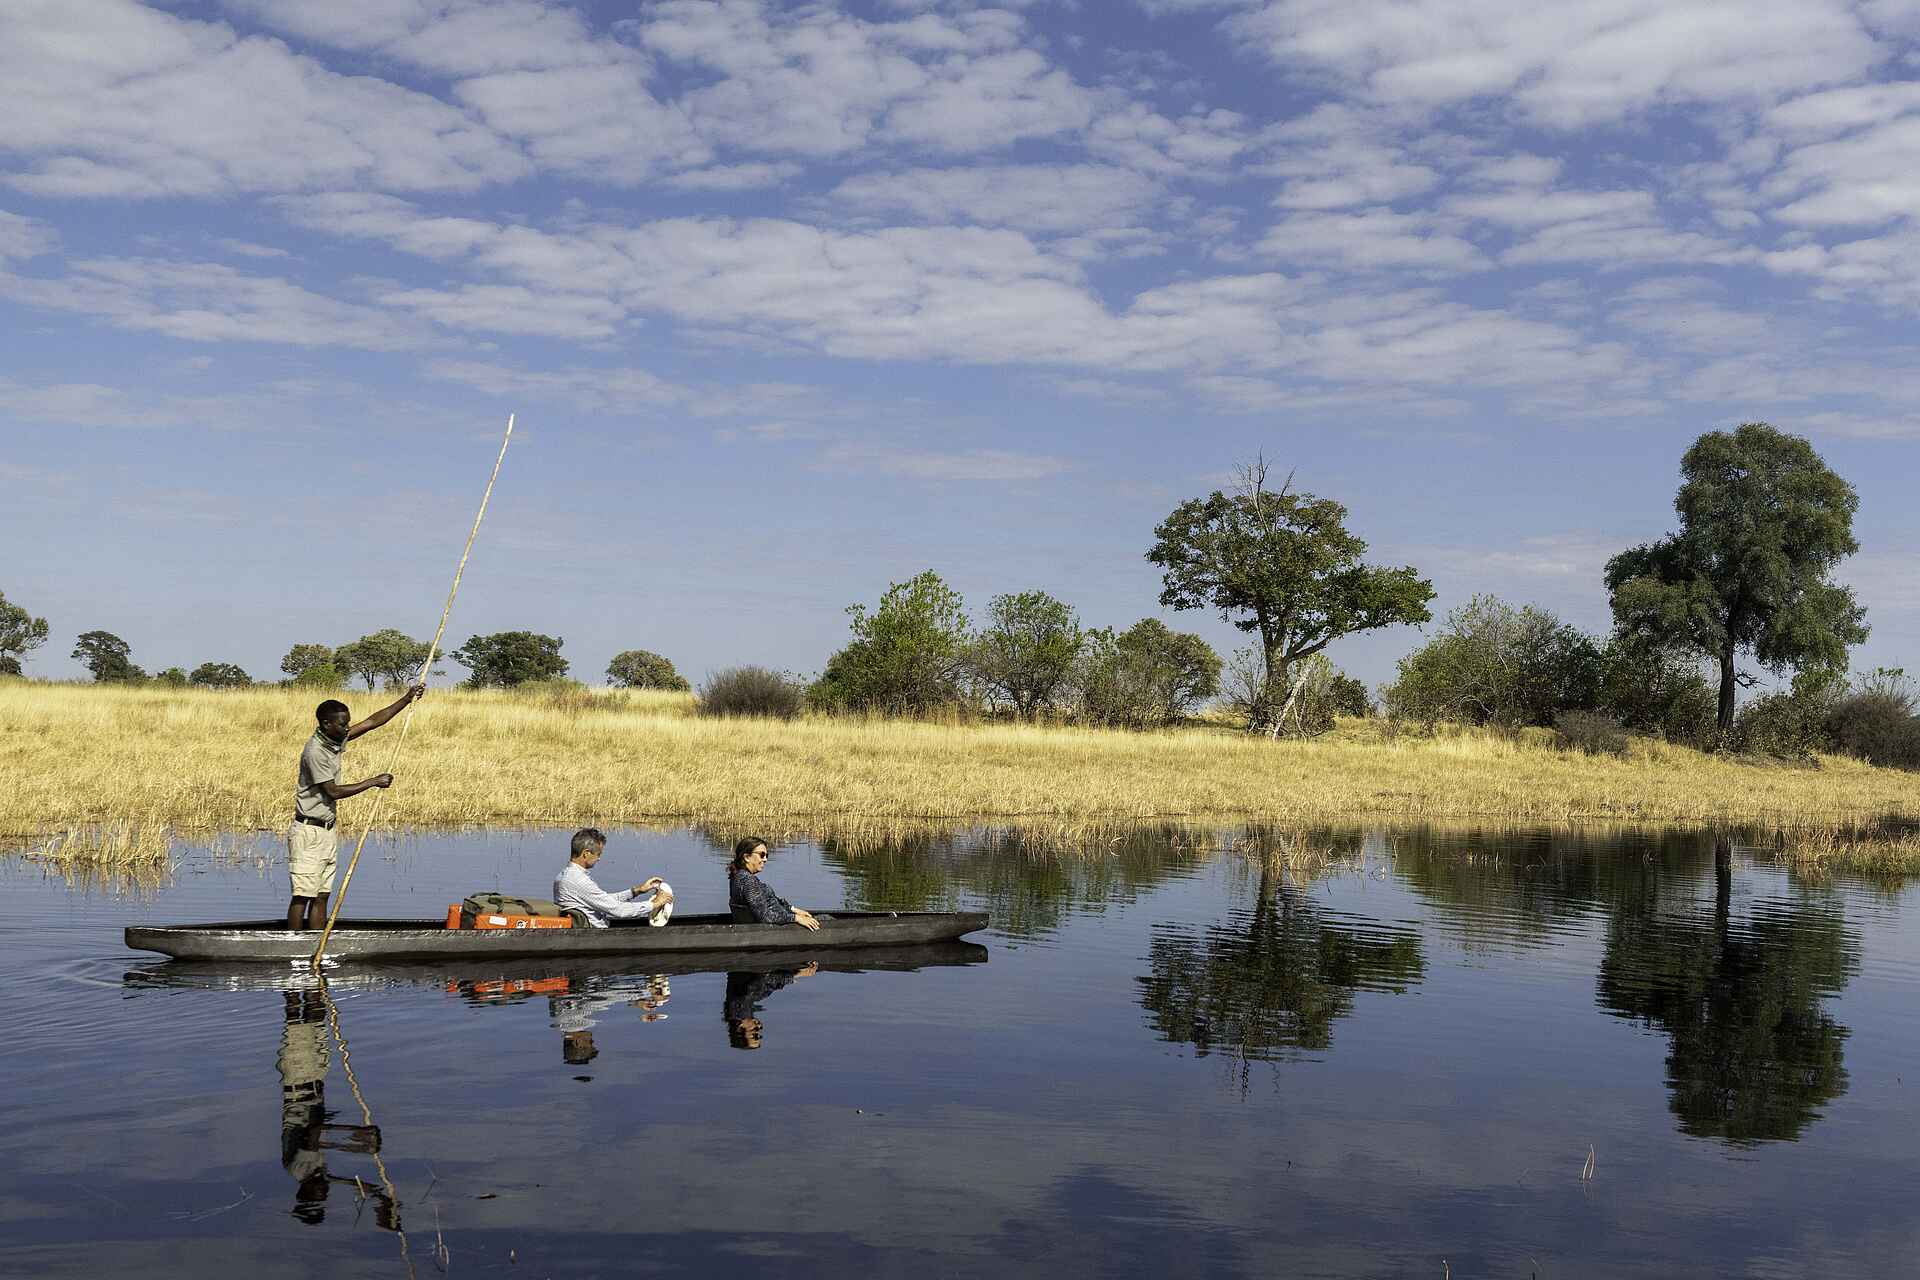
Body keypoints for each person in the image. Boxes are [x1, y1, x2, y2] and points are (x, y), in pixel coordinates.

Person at [288, 686, 424, 930]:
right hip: (308, 833)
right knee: (303, 895)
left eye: (347, 723)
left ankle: (316, 940)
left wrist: (407, 698)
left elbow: (373, 721)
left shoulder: (334, 739)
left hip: (327, 830)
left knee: (322, 895)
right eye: (342, 725)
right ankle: (291, 944)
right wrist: (373, 782)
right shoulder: (315, 752)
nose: (347, 728)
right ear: (326, 724)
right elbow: (333, 792)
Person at [554, 828, 673, 928]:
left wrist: (636, 891)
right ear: (586, 853)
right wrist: (654, 904)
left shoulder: (565, 875)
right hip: (596, 935)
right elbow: (619, 910)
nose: (599, 858)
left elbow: (602, 900)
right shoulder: (578, 880)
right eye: (598, 854)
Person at [727, 837, 824, 931]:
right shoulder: (748, 881)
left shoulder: (738, 876)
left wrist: (793, 910)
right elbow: (766, 917)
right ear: (747, 857)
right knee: (827, 919)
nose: (765, 859)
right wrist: (796, 918)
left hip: (782, 917)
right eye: (762, 855)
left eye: (766, 855)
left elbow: (768, 903)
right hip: (778, 927)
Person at [724, 962, 815, 1050]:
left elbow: (762, 981)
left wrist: (795, 975)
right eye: (759, 1034)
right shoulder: (739, 1009)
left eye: (754, 1033)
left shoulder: (739, 1010)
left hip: (747, 962)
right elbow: (762, 988)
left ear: (740, 1029)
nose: (759, 1027)